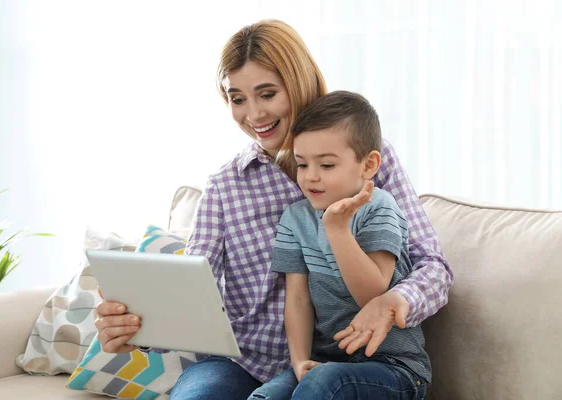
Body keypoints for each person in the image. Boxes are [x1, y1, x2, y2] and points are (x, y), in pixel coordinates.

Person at [94, 20, 452, 400]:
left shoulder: (366, 158)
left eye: (267, 94)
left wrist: (393, 302)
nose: (254, 115)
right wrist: (136, 328)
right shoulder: (225, 188)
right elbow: (194, 299)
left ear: (299, 83)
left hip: (340, 364)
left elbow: (433, 267)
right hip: (243, 364)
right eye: (237, 99)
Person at [249, 90, 429, 400]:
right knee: (266, 396)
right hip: (327, 364)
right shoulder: (295, 218)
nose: (311, 178)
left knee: (325, 383)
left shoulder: (380, 207)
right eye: (302, 165)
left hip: (394, 369)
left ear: (368, 165)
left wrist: (337, 229)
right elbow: (298, 299)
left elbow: (372, 293)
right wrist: (299, 361)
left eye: (327, 166)